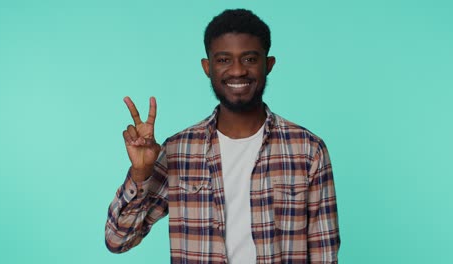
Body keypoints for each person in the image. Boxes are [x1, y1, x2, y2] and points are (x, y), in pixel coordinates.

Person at [105, 9, 340, 264]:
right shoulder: (178, 151)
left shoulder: (308, 150)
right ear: (207, 67)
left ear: (268, 65)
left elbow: (324, 253)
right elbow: (118, 240)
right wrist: (141, 173)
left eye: (249, 59)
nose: (237, 71)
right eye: (224, 60)